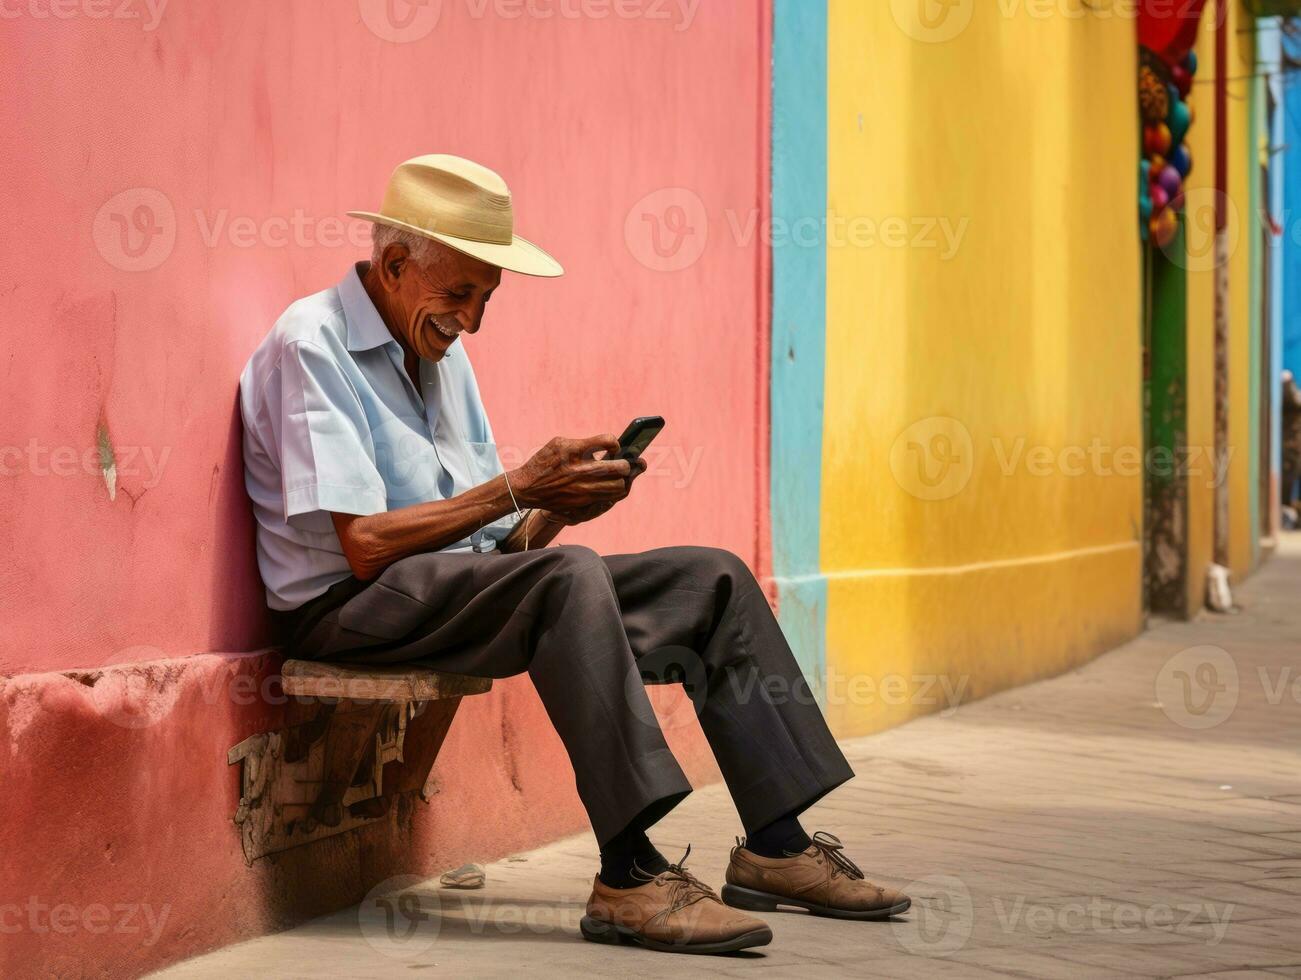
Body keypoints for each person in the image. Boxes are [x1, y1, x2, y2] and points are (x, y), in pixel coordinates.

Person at [239, 154, 910, 955]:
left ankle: (777, 845)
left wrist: (557, 503)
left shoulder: (441, 354)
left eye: (486, 298)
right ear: (392, 265)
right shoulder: (310, 343)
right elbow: (364, 545)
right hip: (346, 608)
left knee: (712, 579)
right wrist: (522, 483)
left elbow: (500, 547)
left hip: (451, 590)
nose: (473, 320)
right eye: (459, 294)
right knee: (568, 577)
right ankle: (628, 876)